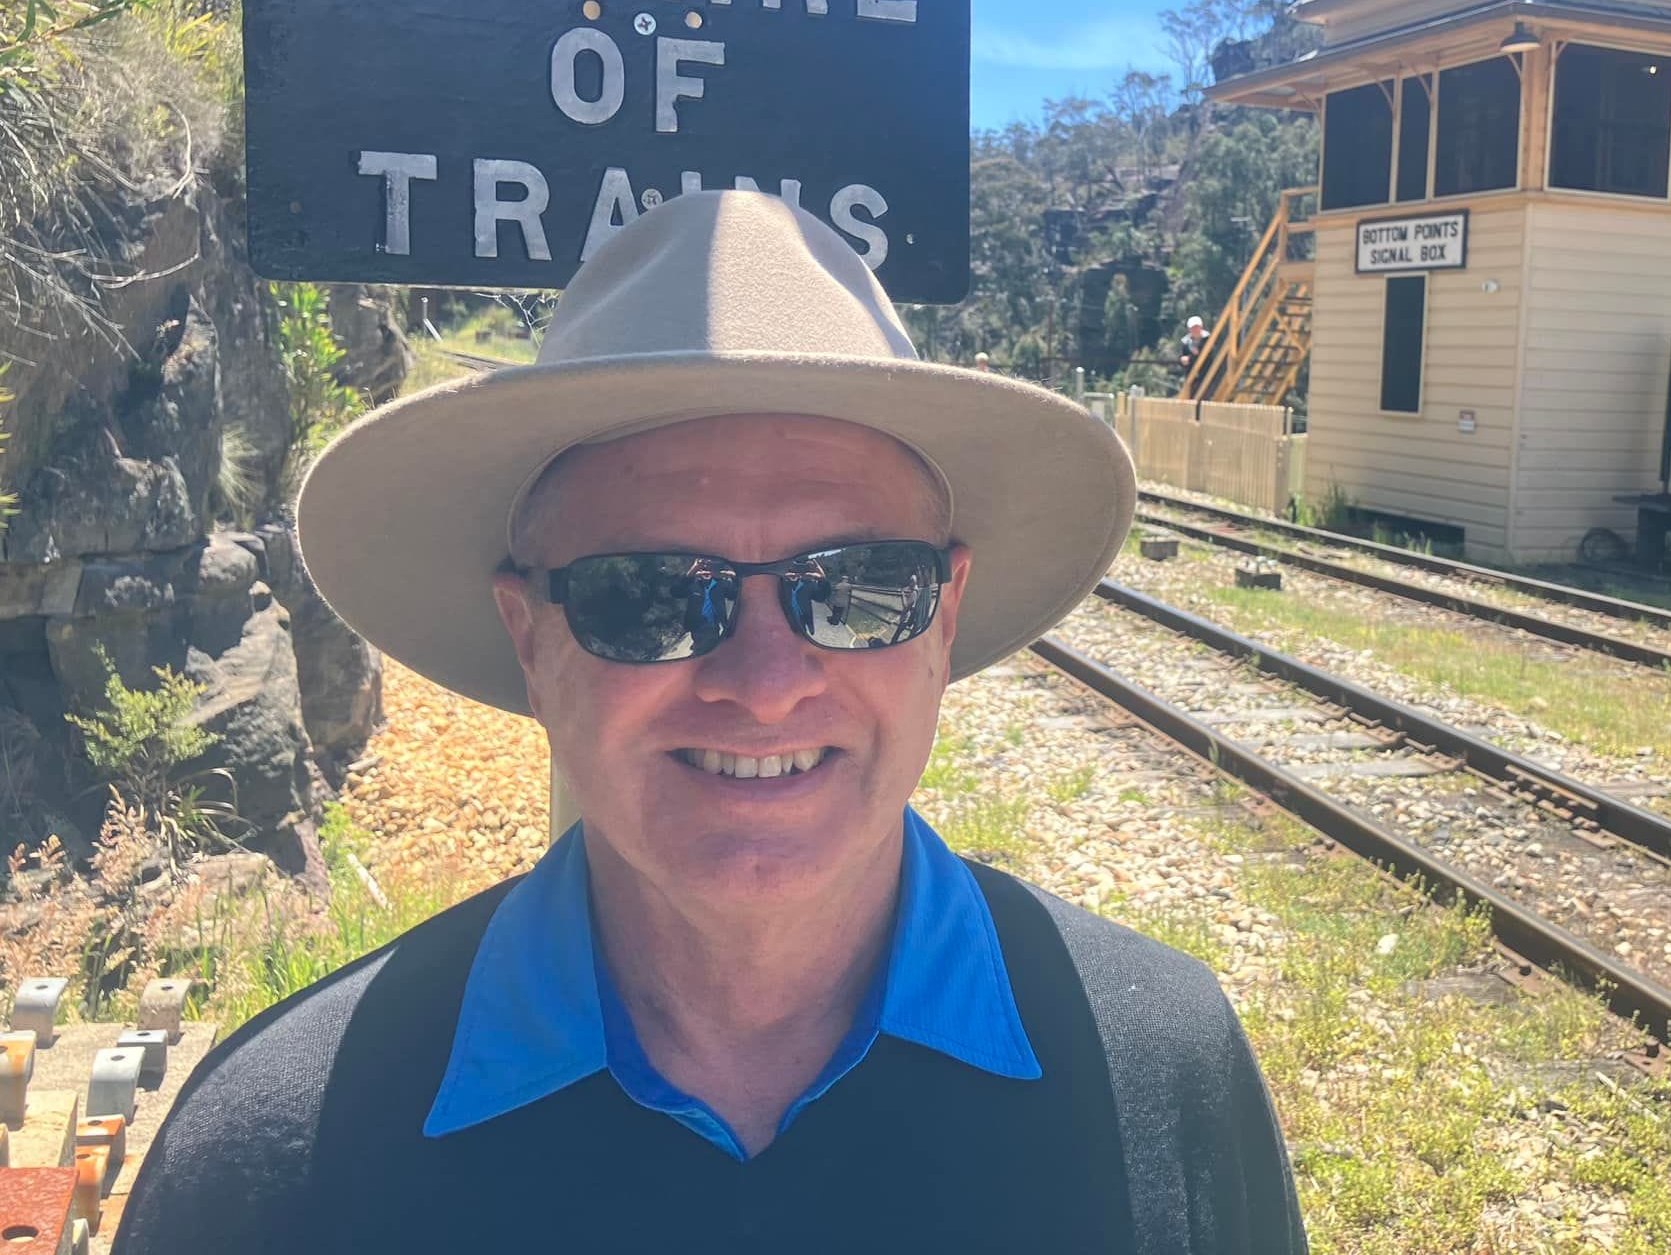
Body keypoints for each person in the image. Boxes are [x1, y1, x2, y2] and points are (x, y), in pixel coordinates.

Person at [115, 193, 1305, 1255]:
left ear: (941, 620)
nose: (765, 679)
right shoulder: (274, 1156)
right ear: (530, 637)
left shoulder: (1165, 1070)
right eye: (648, 595)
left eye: (856, 588)